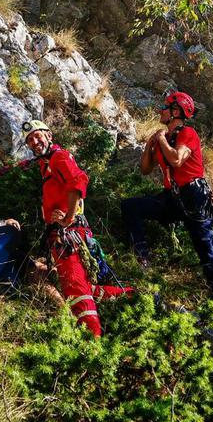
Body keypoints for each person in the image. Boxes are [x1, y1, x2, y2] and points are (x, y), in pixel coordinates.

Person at [22, 119, 133, 336]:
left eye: (38, 136)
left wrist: (68, 218)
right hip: (66, 235)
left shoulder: (58, 157)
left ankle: (92, 342)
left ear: (49, 135)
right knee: (85, 289)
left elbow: (78, 182)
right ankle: (135, 296)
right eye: (30, 140)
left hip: (67, 237)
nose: (34, 142)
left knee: (77, 291)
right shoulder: (46, 163)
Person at [121, 91, 213, 291]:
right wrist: (149, 145)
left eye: (165, 107)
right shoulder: (164, 137)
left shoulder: (188, 134)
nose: (161, 110)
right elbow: (145, 169)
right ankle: (142, 258)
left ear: (175, 111)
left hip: (194, 197)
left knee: (206, 249)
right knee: (130, 207)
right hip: (172, 197)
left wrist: (160, 140)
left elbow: (177, 159)